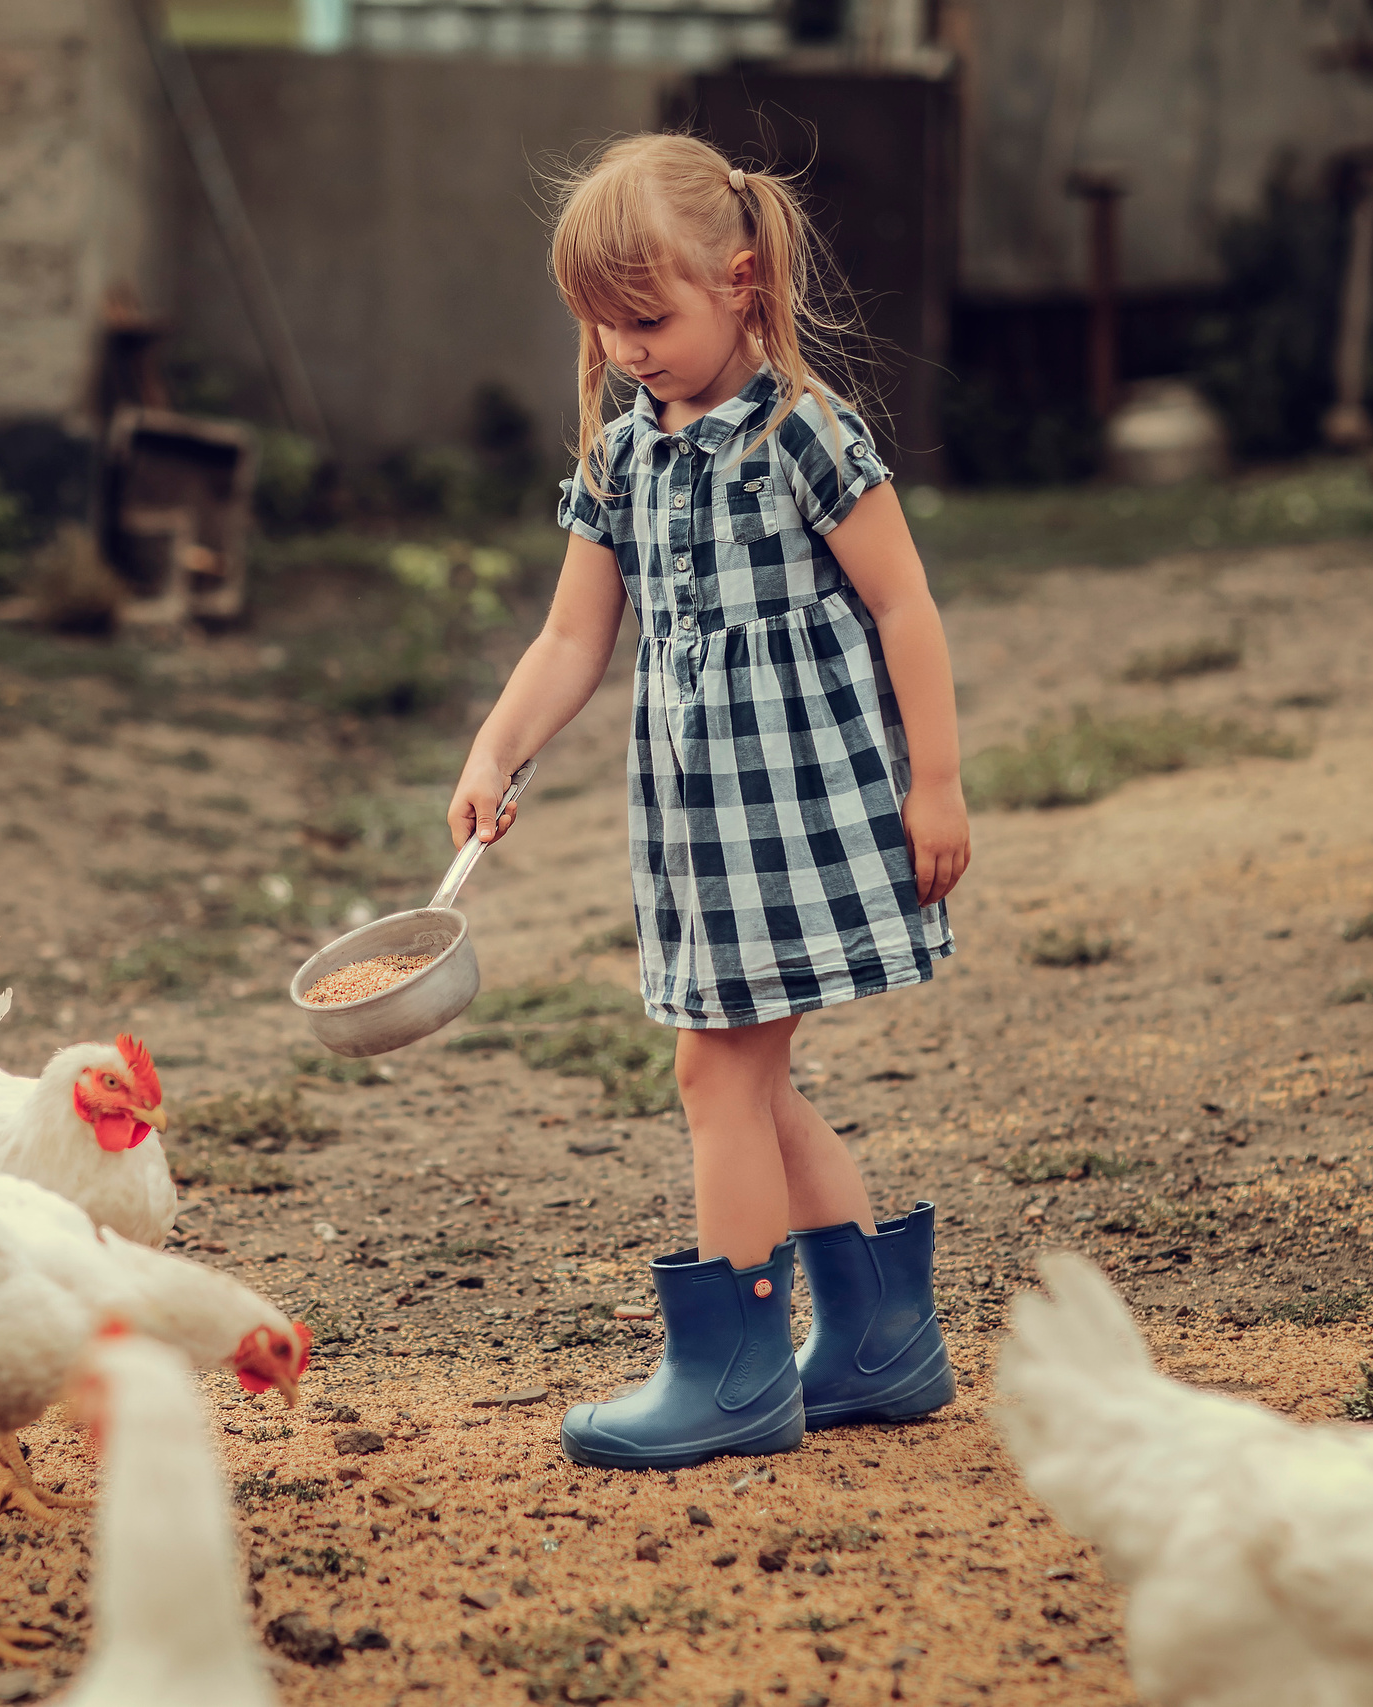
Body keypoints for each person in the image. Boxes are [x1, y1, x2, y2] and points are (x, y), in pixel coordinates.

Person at [447, 133, 969, 1471]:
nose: (627, 350)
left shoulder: (805, 434)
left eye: (649, 319)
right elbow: (572, 639)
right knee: (748, 1074)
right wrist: (496, 750)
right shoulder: (623, 459)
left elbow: (906, 604)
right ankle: (878, 1340)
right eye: (603, 325)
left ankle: (735, 1373)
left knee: (715, 1072)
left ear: (739, 284)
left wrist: (938, 784)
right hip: (700, 832)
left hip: (802, 809)